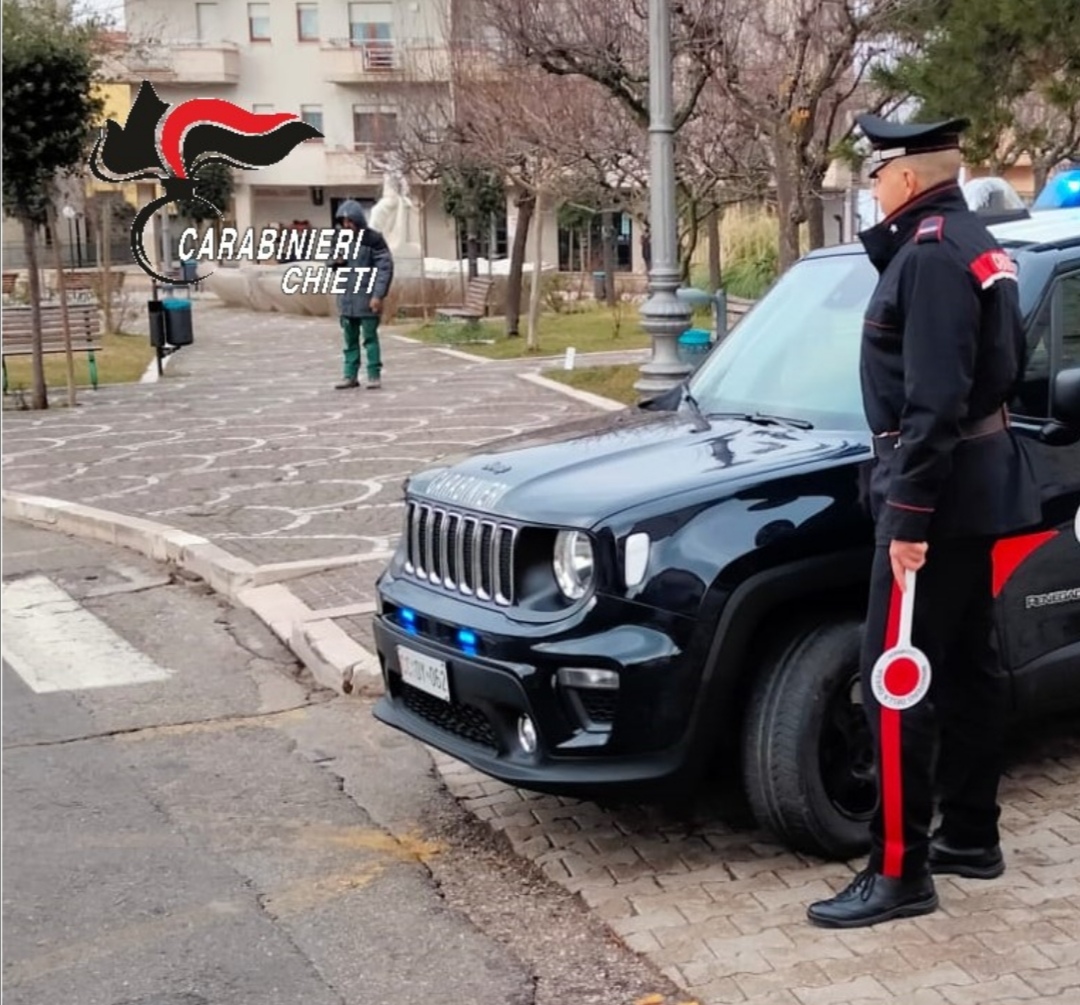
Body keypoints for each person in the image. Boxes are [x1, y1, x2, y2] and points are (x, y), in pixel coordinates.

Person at [806, 114, 1042, 928]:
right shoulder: (967, 239)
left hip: (934, 503)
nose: (873, 187)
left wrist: (907, 515)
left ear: (907, 177)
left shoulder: (935, 255)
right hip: (972, 491)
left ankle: (900, 871)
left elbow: (935, 400)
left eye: (878, 175)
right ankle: (972, 836)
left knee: (895, 681)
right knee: (969, 666)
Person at [331, 199, 394, 390]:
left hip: (367, 299)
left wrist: (378, 295)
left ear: (358, 220)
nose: (347, 225)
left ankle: (374, 374)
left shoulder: (374, 239)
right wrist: (335, 262)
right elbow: (331, 262)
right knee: (349, 341)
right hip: (347, 300)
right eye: (344, 222)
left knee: (370, 338)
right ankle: (349, 375)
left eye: (350, 221)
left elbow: (384, 268)